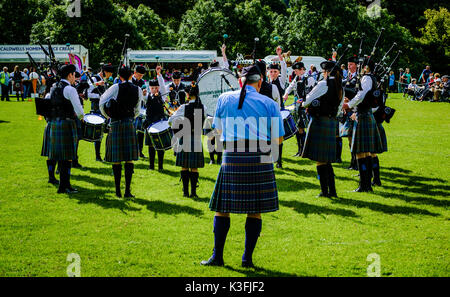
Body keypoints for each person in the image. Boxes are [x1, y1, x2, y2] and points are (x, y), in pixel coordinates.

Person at [201, 65, 284, 268]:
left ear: (240, 80)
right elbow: (279, 139)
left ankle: (217, 257)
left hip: (232, 155)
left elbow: (217, 130)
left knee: (222, 208)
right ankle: (247, 259)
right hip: (261, 156)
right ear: (260, 81)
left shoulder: (224, 99)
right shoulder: (269, 103)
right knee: (255, 209)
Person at [100, 66, 143, 198]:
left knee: (117, 159)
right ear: (131, 76)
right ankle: (127, 191)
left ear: (120, 77)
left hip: (116, 124)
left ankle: (118, 190)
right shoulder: (138, 89)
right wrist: (131, 118)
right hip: (129, 124)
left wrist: (108, 116)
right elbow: (137, 109)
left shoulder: (115, 87)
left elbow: (102, 102)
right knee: (129, 159)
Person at [301, 61, 343, 197]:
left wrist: (302, 103)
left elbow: (307, 101)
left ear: (326, 72)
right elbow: (339, 109)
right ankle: (333, 191)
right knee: (327, 160)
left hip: (319, 122)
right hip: (331, 122)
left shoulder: (322, 84)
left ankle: (324, 191)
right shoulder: (339, 87)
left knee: (320, 160)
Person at [342, 57, 383, 192]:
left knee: (360, 152)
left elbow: (361, 95)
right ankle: (366, 184)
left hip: (364, 115)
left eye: (361, 65)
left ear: (366, 67)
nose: (359, 67)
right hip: (365, 114)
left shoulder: (366, 78)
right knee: (365, 152)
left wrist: (349, 104)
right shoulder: (371, 78)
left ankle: (364, 185)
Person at [47, 64, 85, 194]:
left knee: (59, 155)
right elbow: (79, 110)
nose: (75, 77)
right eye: (74, 74)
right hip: (67, 123)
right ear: (70, 75)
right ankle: (64, 186)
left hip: (54, 123)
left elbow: (47, 102)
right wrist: (82, 117)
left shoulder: (53, 87)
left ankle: (64, 185)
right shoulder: (70, 89)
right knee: (68, 156)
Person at [169, 82, 206, 198]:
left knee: (184, 165)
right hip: (196, 137)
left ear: (187, 94)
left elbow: (171, 119)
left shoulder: (184, 107)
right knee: (194, 166)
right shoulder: (203, 106)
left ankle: (185, 192)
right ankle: (194, 193)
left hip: (184, 137)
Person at [283, 61, 315, 157]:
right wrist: (286, 94)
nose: (295, 73)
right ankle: (300, 150)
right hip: (298, 106)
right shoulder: (297, 77)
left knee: (301, 128)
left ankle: (304, 151)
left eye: (296, 71)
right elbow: (290, 86)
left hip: (306, 106)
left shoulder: (310, 79)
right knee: (298, 128)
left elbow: (312, 93)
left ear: (302, 70)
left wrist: (303, 100)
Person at [87, 63, 114, 161]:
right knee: (98, 133)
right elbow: (87, 93)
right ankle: (97, 156)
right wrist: (100, 97)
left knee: (107, 131)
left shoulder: (105, 81)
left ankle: (107, 154)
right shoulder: (94, 79)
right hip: (96, 108)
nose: (110, 76)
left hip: (105, 109)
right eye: (109, 73)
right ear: (104, 72)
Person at [144, 66, 168, 171]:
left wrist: (159, 74)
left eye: (156, 88)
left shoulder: (162, 96)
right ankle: (151, 166)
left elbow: (162, 85)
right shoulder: (146, 96)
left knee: (160, 145)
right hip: (150, 123)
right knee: (150, 145)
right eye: (152, 88)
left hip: (159, 122)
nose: (155, 90)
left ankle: (161, 166)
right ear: (150, 88)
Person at [340, 55, 359, 170]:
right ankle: (353, 161)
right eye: (348, 65)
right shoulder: (347, 77)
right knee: (348, 136)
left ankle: (356, 162)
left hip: (354, 109)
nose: (349, 66)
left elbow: (358, 93)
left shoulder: (359, 78)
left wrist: (349, 101)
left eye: (351, 64)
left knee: (354, 136)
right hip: (346, 108)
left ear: (356, 65)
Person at [131, 65, 148, 158]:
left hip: (140, 109)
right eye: (139, 75)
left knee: (141, 131)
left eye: (142, 75)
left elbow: (144, 98)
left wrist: (144, 94)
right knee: (132, 131)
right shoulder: (130, 81)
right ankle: (132, 151)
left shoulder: (142, 82)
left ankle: (139, 151)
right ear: (135, 72)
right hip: (131, 109)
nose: (141, 77)